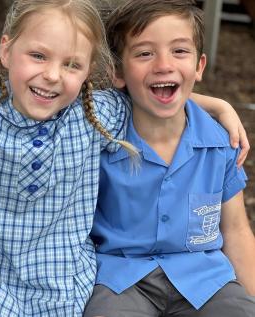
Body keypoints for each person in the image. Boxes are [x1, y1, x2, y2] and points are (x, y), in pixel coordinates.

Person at [0, 0, 250, 316]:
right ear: (6, 50)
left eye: (72, 64)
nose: (52, 75)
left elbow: (151, 92)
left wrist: (216, 106)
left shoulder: (98, 118)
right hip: (25, 285)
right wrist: (218, 104)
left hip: (97, 289)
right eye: (38, 56)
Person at [84, 1, 255, 316]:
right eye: (145, 53)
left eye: (179, 51)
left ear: (199, 66)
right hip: (122, 278)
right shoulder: (98, 136)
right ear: (118, 71)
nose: (164, 64)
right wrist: (218, 103)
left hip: (205, 280)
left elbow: (236, 230)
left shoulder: (219, 143)